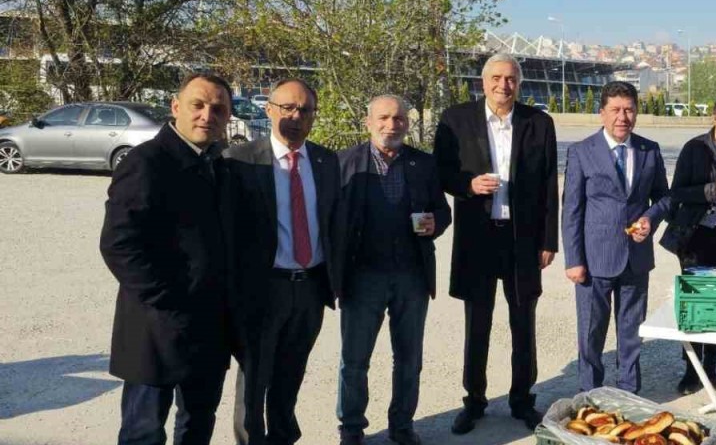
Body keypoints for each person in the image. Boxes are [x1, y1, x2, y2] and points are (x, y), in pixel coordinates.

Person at [100, 73, 235, 445]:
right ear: (176, 107)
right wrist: (167, 299)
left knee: (197, 423)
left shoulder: (218, 164)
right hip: (156, 325)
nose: (207, 114)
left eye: (218, 108)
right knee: (144, 431)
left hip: (209, 326)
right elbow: (119, 244)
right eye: (198, 104)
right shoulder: (147, 162)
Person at [433, 54, 559, 434]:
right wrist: (467, 185)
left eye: (511, 79)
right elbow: (439, 172)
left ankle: (522, 399)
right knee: (478, 324)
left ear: (519, 84)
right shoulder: (456, 119)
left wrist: (548, 240)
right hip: (479, 239)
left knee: (524, 325)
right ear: (483, 81)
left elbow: (550, 186)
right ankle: (474, 401)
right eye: (497, 78)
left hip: (522, 240)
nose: (504, 85)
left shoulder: (538, 123)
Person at [225, 77, 340, 445]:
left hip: (309, 288)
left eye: (305, 110)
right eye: (287, 107)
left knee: (291, 375)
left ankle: (282, 438)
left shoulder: (325, 161)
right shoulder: (240, 161)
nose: (295, 116)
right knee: (254, 379)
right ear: (269, 109)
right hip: (264, 290)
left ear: (314, 116)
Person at [332, 95, 453, 445]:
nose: (392, 125)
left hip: (412, 277)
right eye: (383, 118)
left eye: (399, 119)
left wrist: (435, 223)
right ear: (368, 122)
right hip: (362, 278)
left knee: (409, 359)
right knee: (354, 360)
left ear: (408, 123)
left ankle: (402, 426)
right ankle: (351, 429)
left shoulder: (423, 164)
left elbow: (443, 213)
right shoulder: (344, 163)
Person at [562, 80, 672, 394]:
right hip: (594, 260)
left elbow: (664, 198)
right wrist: (574, 260)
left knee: (632, 332)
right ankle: (590, 393)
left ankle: (627, 392)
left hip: (636, 258)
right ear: (602, 114)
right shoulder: (582, 151)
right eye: (615, 110)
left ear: (636, 113)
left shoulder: (649, 150)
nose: (622, 117)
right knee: (591, 333)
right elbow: (571, 210)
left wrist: (650, 219)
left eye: (629, 110)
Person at [658, 93, 716, 394]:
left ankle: (710, 366)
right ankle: (690, 369)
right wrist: (714, 189)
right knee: (695, 304)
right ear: (713, 117)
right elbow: (678, 193)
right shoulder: (694, 148)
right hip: (695, 235)